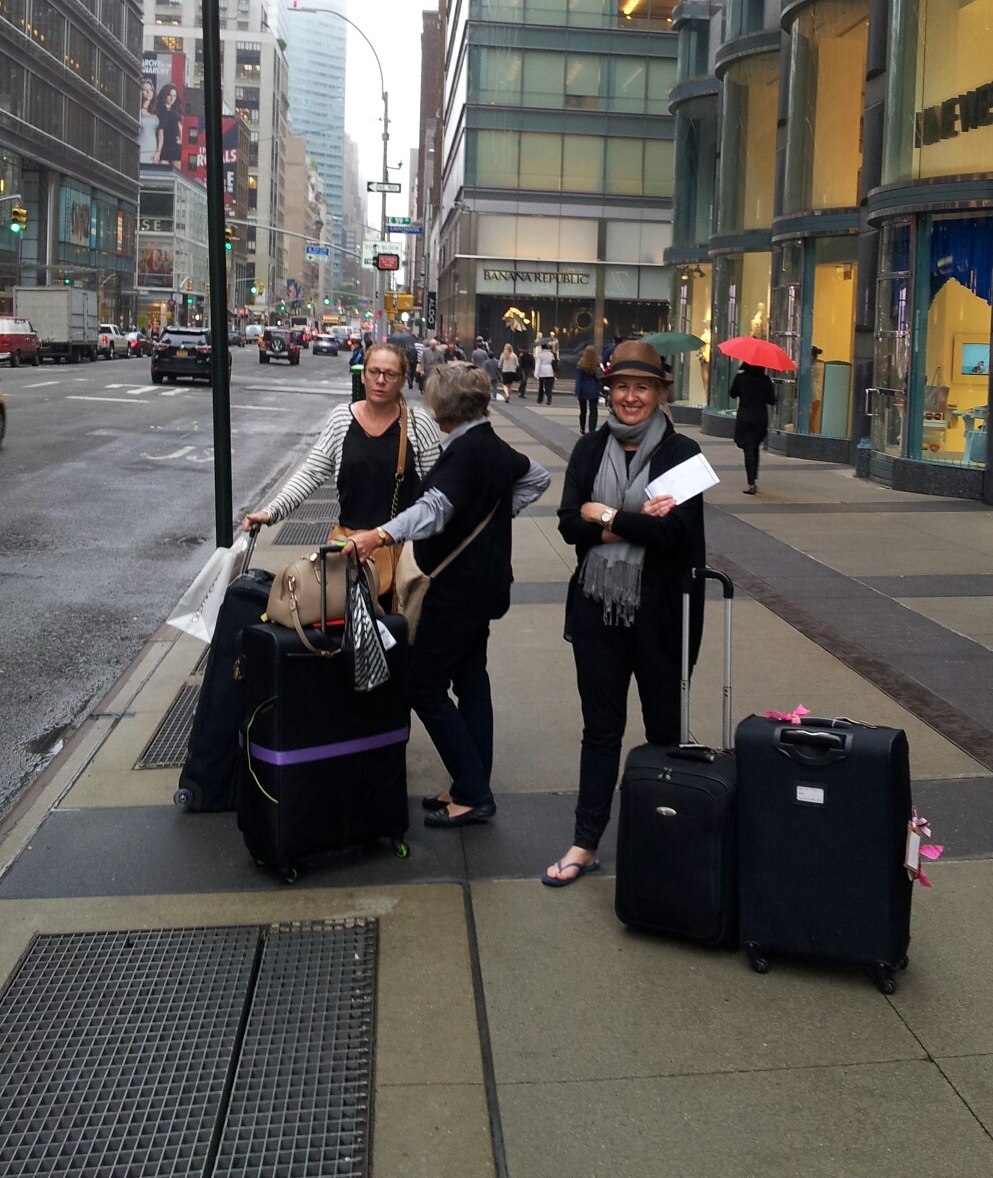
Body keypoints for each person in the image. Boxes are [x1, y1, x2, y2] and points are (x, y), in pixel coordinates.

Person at [349, 364, 550, 826]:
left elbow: (433, 511)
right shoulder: (491, 444)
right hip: (485, 588)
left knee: (424, 688)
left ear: (446, 407)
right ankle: (469, 782)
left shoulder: (466, 452)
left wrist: (378, 535)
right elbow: (537, 477)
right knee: (472, 681)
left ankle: (474, 793)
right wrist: (493, 518)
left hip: (454, 593)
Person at [543, 341, 706, 886]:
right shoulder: (589, 449)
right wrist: (633, 519)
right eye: (621, 387)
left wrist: (607, 515)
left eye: (642, 387)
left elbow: (675, 534)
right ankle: (585, 842)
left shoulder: (682, 454)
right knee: (600, 731)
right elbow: (570, 524)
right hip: (597, 611)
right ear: (608, 390)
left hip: (662, 615)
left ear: (660, 393)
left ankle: (664, 843)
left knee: (665, 732)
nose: (630, 397)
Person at [243, 343, 441, 604]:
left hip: (401, 555)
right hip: (349, 551)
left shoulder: (418, 424)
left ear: (403, 380)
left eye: (390, 374)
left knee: (396, 626)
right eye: (374, 372)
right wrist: (271, 512)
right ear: (363, 375)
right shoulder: (341, 419)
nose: (380, 380)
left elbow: (437, 495)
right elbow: (311, 472)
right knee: (344, 624)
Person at [730, 362, 777, 494]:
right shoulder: (765, 380)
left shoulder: (740, 378)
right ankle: (753, 478)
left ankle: (751, 483)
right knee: (754, 447)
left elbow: (732, 394)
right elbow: (772, 400)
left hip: (745, 417)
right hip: (760, 418)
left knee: (748, 449)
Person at [574, 344, 601, 434]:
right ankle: (592, 429)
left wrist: (577, 391)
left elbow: (579, 379)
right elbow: (598, 378)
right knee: (593, 410)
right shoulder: (596, 364)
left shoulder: (581, 364)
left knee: (583, 410)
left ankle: (582, 427)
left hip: (583, 389)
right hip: (593, 389)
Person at [153, 82, 182, 166]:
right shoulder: (160, 110)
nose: (172, 98)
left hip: (174, 146)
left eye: (174, 96)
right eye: (170, 95)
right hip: (163, 145)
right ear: (165, 95)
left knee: (176, 171)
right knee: (164, 170)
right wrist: (158, 151)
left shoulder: (175, 112)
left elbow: (181, 128)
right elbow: (161, 130)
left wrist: (181, 139)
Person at [139, 77, 160, 163]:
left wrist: (158, 152)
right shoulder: (136, 111)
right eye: (145, 90)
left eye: (150, 90)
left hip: (152, 149)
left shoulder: (154, 113)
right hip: (140, 147)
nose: (148, 92)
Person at [535, 337, 557, 404]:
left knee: (541, 386)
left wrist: (536, 374)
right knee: (548, 387)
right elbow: (553, 363)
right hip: (549, 371)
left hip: (542, 371)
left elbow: (538, 365)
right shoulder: (551, 354)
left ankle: (540, 399)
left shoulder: (540, 355)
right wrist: (554, 372)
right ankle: (549, 399)